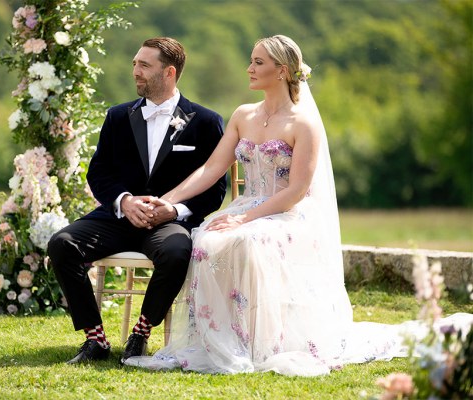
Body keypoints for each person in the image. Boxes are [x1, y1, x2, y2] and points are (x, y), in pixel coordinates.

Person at [123, 35, 473, 376]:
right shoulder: (243, 115)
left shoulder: (303, 123)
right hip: (246, 208)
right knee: (206, 237)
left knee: (246, 239)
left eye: (258, 62)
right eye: (251, 60)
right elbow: (212, 169)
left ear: (282, 70)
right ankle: (218, 340)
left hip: (287, 213)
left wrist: (244, 219)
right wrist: (167, 200)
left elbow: (297, 191)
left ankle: (261, 345)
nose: (249, 68)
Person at [47, 37, 227, 365]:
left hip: (168, 223)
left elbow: (215, 190)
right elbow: (98, 173)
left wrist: (173, 210)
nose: (136, 71)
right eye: (134, 64)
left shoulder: (206, 122)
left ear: (169, 72)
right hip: (117, 218)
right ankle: (95, 339)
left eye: (144, 65)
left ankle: (141, 332)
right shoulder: (117, 116)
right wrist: (124, 201)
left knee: (176, 252)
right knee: (62, 244)